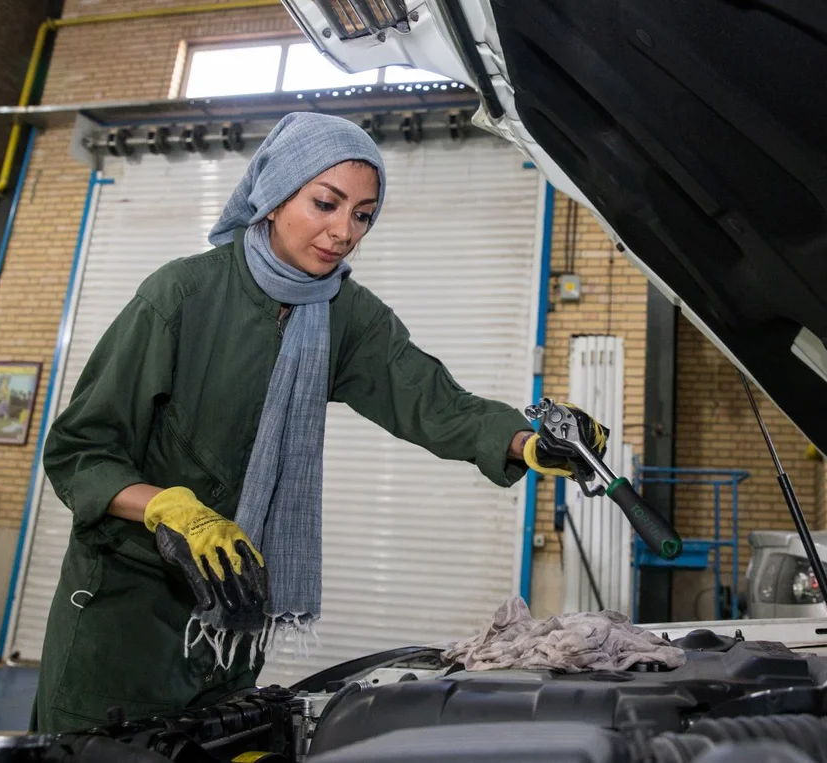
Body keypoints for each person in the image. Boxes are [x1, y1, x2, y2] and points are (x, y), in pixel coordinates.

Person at [32, 112, 609, 732]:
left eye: (362, 214)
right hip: (125, 612)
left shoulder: (345, 314)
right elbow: (79, 450)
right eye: (326, 204)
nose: (343, 232)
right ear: (275, 197)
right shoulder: (179, 295)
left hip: (233, 611)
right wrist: (168, 508)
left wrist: (525, 442)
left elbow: (433, 401)